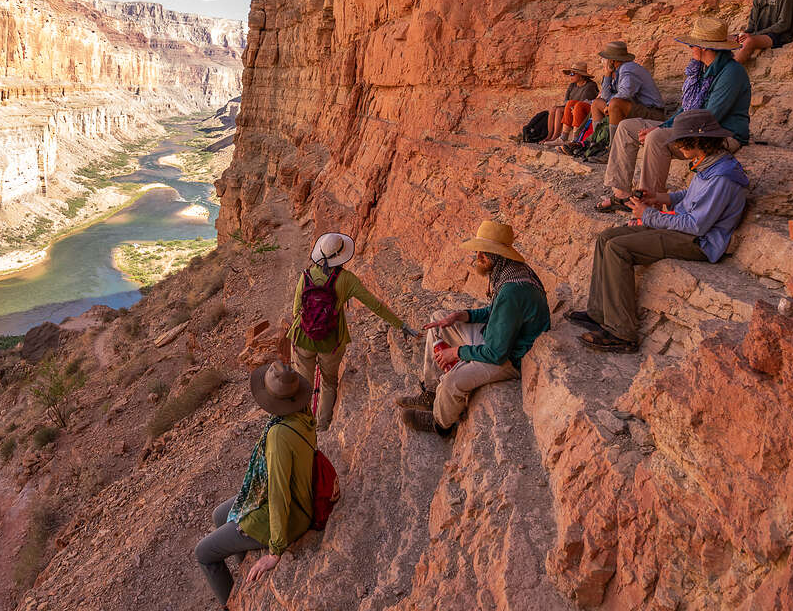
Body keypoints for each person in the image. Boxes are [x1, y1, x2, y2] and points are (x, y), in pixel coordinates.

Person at [570, 110, 750, 352]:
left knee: (618, 248)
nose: (678, 146)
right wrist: (660, 198)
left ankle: (622, 332)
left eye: (681, 140)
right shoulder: (711, 163)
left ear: (698, 141)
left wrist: (649, 215)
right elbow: (690, 196)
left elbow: (696, 225)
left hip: (699, 241)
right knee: (606, 238)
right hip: (685, 229)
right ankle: (599, 311)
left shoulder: (722, 177)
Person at [396, 221, 551, 434]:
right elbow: (497, 312)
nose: (478, 257)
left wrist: (457, 352)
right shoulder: (511, 273)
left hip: (511, 358)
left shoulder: (512, 291)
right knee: (438, 321)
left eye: (484, 253)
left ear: (499, 256)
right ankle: (431, 394)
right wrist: (465, 315)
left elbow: (496, 353)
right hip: (500, 338)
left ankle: (440, 423)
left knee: (452, 382)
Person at [195, 362, 317, 605]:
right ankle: (244, 574)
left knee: (203, 553)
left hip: (292, 513)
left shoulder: (279, 434)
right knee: (220, 514)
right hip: (301, 495)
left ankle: (231, 605)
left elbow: (279, 493)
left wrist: (275, 551)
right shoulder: (302, 413)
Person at [598, 17, 749, 212]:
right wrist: (662, 126)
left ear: (702, 48)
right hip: (698, 128)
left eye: (692, 45)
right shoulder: (703, 71)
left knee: (657, 138)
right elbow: (685, 110)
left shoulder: (731, 72)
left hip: (723, 134)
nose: (690, 49)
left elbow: (710, 117)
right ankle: (622, 195)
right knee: (628, 127)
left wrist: (664, 131)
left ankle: (649, 205)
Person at [289, 232, 417, 432]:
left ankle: (303, 425)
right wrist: (401, 325)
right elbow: (375, 305)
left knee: (303, 384)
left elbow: (296, 310)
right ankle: (322, 426)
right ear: (341, 256)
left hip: (303, 339)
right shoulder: (347, 279)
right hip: (330, 343)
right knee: (329, 383)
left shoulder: (305, 276)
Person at [592, 40, 665, 129]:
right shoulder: (617, 71)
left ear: (612, 61)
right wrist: (607, 74)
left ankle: (613, 142)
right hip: (637, 109)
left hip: (653, 112)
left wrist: (609, 104)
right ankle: (596, 141)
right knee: (597, 103)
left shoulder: (628, 68)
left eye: (605, 59)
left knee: (615, 104)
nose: (603, 61)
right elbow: (605, 97)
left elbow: (625, 93)